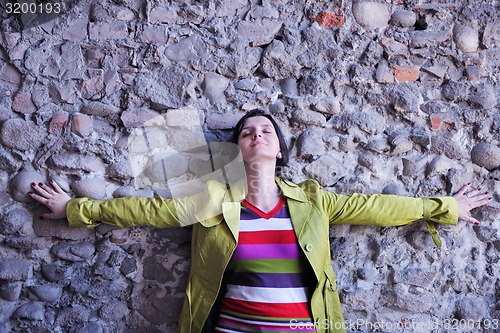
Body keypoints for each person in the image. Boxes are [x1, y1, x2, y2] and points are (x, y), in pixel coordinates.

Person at [30, 109, 493, 333]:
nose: (257, 135)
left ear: (278, 147)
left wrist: (445, 207)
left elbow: (379, 207)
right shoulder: (212, 199)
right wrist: (75, 209)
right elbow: (148, 212)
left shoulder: (313, 201)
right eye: (247, 132)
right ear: (238, 149)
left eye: (266, 130)